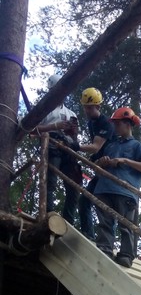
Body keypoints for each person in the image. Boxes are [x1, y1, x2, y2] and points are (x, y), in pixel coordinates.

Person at [94, 106, 141, 268]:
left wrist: (125, 160)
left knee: (126, 226)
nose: (115, 127)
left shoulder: (138, 145)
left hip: (126, 192)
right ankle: (104, 250)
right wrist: (101, 162)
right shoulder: (110, 145)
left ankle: (126, 255)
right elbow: (96, 168)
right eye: (114, 124)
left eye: (118, 124)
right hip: (104, 188)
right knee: (105, 223)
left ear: (128, 124)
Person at [35, 74, 81, 223]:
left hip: (68, 149)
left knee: (73, 185)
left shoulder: (71, 114)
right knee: (51, 182)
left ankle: (68, 220)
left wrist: (72, 132)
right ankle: (48, 214)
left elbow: (75, 138)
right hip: (51, 146)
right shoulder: (43, 110)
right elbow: (32, 129)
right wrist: (55, 126)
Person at [78, 87, 115, 240]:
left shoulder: (106, 123)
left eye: (90, 107)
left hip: (109, 169)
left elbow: (96, 146)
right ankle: (88, 235)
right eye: (85, 107)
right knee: (84, 200)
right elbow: (96, 149)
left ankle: (105, 241)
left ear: (98, 106)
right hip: (100, 167)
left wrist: (75, 146)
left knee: (104, 205)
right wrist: (92, 159)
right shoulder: (91, 123)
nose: (86, 110)